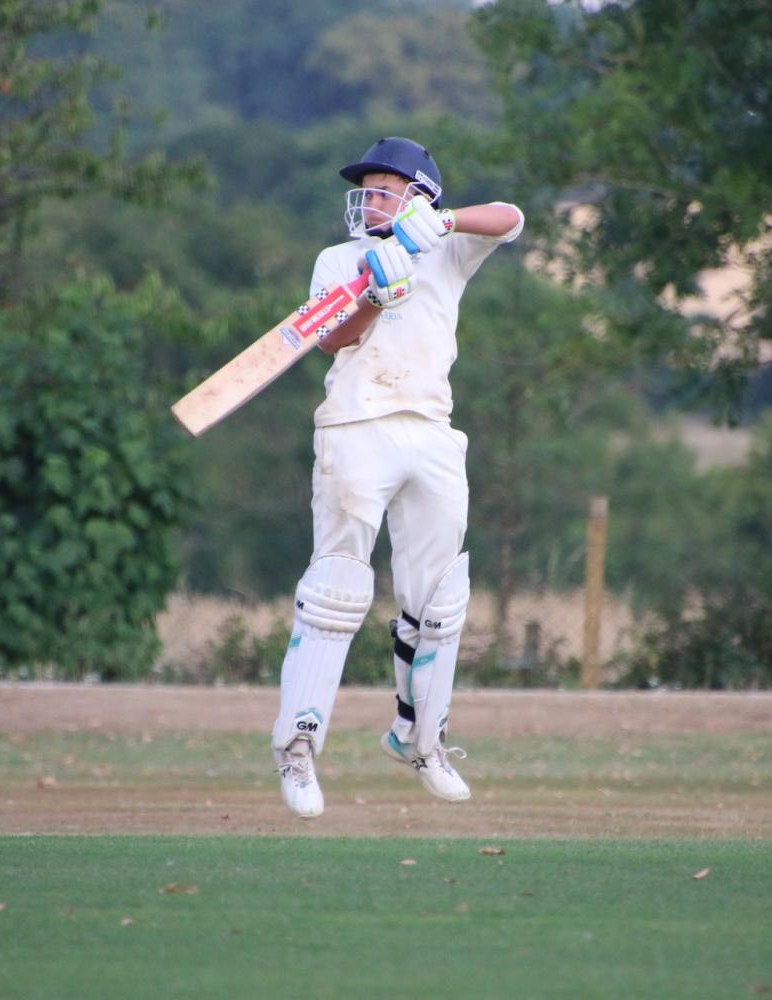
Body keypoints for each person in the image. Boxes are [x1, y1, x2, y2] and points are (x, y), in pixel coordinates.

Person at [270, 136, 525, 819]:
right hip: (356, 426)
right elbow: (330, 339)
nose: (371, 199)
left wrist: (441, 224)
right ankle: (297, 750)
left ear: (419, 197)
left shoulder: (448, 245)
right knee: (337, 587)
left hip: (434, 429)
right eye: (369, 189)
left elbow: (511, 216)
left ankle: (421, 741)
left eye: (386, 189)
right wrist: (378, 295)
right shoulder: (340, 259)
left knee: (439, 600)